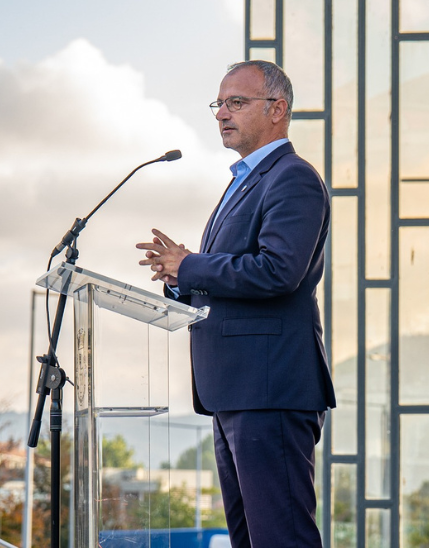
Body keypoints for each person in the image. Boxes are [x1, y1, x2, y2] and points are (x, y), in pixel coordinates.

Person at [136, 60, 334, 548]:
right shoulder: (244, 180)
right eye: (219, 104)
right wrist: (180, 280)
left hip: (269, 386)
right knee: (249, 539)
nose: (222, 114)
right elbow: (225, 273)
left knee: (281, 537)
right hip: (234, 388)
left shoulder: (292, 178)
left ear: (278, 109)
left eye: (237, 103)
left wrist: (192, 266)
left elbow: (278, 271)